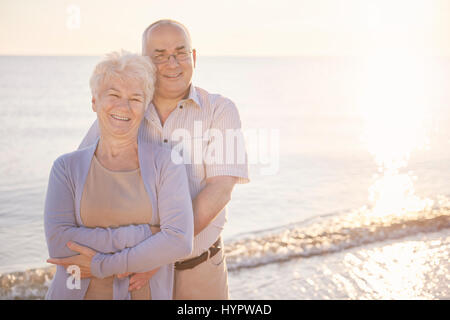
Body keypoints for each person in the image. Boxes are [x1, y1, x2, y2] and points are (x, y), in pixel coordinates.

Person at [78, 20, 250, 300]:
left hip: (199, 271)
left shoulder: (220, 110)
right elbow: (81, 176)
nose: (172, 63)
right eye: (159, 55)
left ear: (193, 57)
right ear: (144, 62)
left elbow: (220, 189)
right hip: (131, 276)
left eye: (180, 53)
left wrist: (158, 254)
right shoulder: (125, 110)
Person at [44, 51, 193, 300]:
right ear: (94, 101)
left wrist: (100, 265)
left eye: (135, 98)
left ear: (145, 107)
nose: (124, 107)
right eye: (113, 95)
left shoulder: (167, 163)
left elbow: (178, 241)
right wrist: (148, 235)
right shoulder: (65, 168)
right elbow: (60, 244)